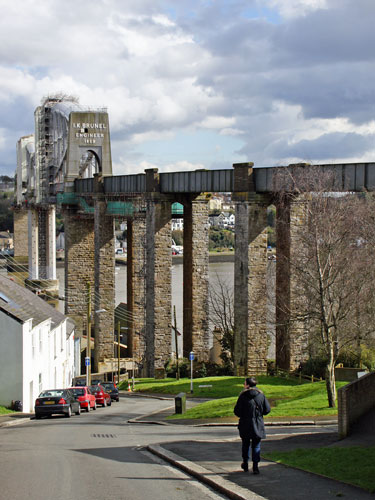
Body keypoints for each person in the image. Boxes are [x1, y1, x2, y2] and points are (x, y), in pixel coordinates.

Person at [234, 377, 271, 474]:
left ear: (247, 385)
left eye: (244, 383)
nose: (243, 385)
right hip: (258, 423)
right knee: (256, 445)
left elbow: (237, 411)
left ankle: (245, 463)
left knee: (245, 444)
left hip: (245, 423)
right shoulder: (261, 395)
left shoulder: (242, 396)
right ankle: (255, 466)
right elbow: (267, 410)